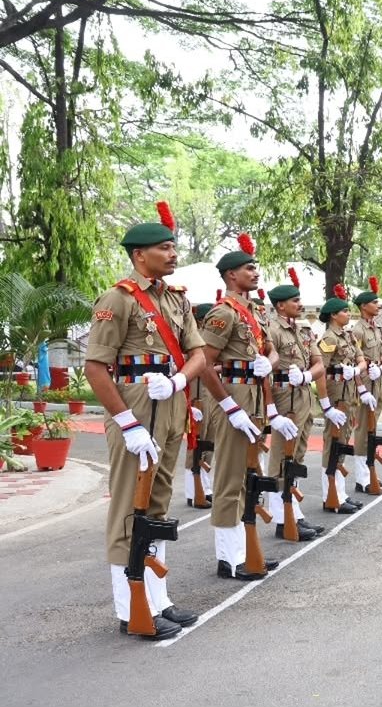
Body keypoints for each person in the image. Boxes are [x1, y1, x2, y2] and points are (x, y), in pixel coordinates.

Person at [84, 204, 207, 639]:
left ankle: (157, 599)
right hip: (135, 409)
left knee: (156, 507)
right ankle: (130, 608)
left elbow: (198, 354)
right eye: (164, 248)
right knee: (128, 510)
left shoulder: (176, 299)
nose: (173, 254)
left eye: (173, 247)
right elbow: (95, 368)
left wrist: (178, 381)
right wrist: (127, 422)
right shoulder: (117, 299)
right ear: (140, 255)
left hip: (169, 404)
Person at [199, 234, 297, 580]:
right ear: (231, 275)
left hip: (253, 395)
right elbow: (204, 363)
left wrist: (270, 363)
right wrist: (229, 406)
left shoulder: (254, 312)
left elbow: (270, 350)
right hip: (234, 395)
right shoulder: (223, 314)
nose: (256, 273)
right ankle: (229, 558)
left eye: (255, 268)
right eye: (248, 268)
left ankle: (243, 549)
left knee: (246, 475)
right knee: (229, 477)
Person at [265, 269, 341, 541]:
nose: (300, 304)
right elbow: (264, 371)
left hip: (303, 397)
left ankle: (293, 513)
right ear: (280, 305)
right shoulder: (271, 330)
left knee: (296, 458)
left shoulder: (304, 330)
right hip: (284, 397)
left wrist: (307, 376)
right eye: (294, 300)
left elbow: (319, 363)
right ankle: (281, 519)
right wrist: (271, 410)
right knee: (280, 460)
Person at [317, 285, 368, 514]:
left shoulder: (349, 336)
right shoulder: (329, 338)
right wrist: (326, 404)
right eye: (344, 311)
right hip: (336, 395)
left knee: (343, 440)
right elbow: (320, 370)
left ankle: (340, 492)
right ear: (333, 315)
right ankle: (330, 495)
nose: (348, 314)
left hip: (349, 394)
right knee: (333, 443)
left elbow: (362, 360)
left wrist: (356, 371)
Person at [352, 277, 382, 494]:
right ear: (363, 306)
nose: (378, 305)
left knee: (373, 427)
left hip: (377, 378)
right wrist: (360, 387)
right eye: (374, 302)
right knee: (362, 429)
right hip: (365, 380)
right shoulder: (357, 330)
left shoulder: (378, 329)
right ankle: (362, 478)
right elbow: (353, 362)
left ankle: (371, 474)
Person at [185, 303, 216, 509]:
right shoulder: (194, 340)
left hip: (210, 396)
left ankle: (204, 487)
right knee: (195, 445)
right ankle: (192, 491)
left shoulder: (208, 339)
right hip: (197, 396)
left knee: (208, 444)